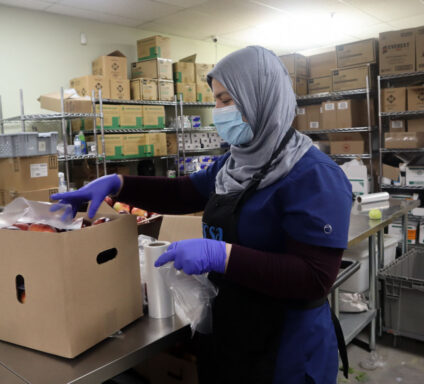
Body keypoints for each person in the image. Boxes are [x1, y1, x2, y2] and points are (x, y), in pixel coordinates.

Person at [51, 46, 353, 384]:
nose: (218, 111)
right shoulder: (233, 163)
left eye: (227, 100)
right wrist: (118, 184)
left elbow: (314, 278)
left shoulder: (315, 176)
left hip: (285, 347)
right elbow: (182, 192)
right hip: (230, 331)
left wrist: (220, 255)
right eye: (216, 101)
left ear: (261, 98)